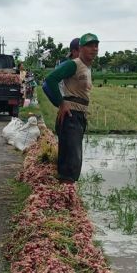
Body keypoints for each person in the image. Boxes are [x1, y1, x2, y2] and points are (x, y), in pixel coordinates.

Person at [43, 32, 98, 183]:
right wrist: (61, 102)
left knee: (73, 159)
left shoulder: (86, 68)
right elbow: (50, 80)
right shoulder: (73, 64)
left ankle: (67, 195)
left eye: (96, 45)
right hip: (71, 117)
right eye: (89, 46)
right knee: (71, 161)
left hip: (79, 116)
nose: (94, 49)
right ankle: (66, 194)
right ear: (80, 48)